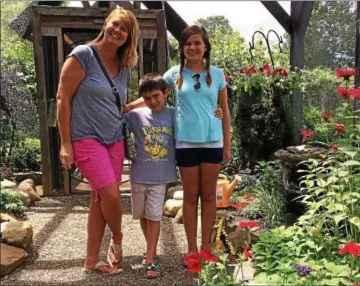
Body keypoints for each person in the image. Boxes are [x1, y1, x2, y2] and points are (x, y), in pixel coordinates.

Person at [125, 24, 231, 266]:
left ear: (205, 47)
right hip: (184, 143)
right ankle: (192, 249)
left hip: (212, 141)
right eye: (188, 43)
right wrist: (129, 108)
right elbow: (154, 93)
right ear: (182, 48)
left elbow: (224, 110)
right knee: (191, 197)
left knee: (209, 196)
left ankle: (207, 248)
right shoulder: (174, 74)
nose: (192, 47)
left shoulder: (217, 74)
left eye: (197, 43)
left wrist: (227, 144)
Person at [56, 8, 139, 275]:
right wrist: (65, 143)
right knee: (112, 194)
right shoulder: (83, 55)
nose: (118, 31)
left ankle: (91, 260)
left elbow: (120, 105)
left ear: (129, 36)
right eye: (116, 24)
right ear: (106, 23)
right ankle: (118, 239)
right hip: (85, 138)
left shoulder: (124, 66)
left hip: (114, 139)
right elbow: (63, 99)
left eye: (125, 29)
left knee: (99, 200)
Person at [124, 73, 177, 279]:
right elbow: (116, 116)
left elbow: (195, 115)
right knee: (143, 217)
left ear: (166, 93)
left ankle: (150, 258)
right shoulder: (136, 116)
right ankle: (151, 250)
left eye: (156, 96)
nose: (152, 101)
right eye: (147, 98)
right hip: (138, 175)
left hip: (161, 176)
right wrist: (130, 106)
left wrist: (217, 112)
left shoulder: (174, 114)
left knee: (154, 216)